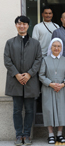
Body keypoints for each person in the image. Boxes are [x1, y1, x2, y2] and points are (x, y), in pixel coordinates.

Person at [4, 16, 42, 145]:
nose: (22, 26)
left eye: (24, 24)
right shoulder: (10, 42)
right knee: (17, 110)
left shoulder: (35, 43)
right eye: (19, 24)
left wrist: (29, 74)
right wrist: (17, 75)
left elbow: (38, 60)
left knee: (30, 110)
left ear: (28, 26)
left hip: (30, 81)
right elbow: (7, 60)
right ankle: (18, 135)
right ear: (16, 25)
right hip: (15, 82)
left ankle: (27, 135)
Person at [39, 38, 65, 144]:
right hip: (48, 89)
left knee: (61, 110)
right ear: (50, 47)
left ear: (61, 48)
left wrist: (62, 84)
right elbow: (41, 75)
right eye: (54, 46)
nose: (56, 48)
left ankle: (60, 134)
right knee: (49, 110)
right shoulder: (45, 60)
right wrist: (51, 84)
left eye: (59, 46)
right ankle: (51, 134)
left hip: (62, 89)